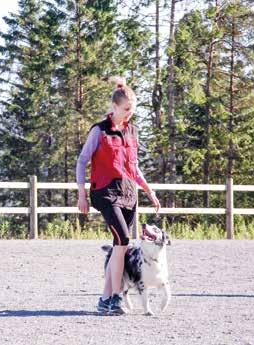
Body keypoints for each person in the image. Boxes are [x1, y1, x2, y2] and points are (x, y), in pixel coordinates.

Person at [76, 76, 161, 315]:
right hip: (104, 192)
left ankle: (105, 299)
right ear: (114, 107)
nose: (129, 114)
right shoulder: (99, 130)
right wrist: (82, 194)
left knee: (119, 247)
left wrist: (148, 190)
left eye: (132, 110)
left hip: (128, 194)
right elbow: (82, 161)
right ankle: (115, 297)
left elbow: (134, 167)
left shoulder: (132, 131)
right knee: (123, 240)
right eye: (126, 109)